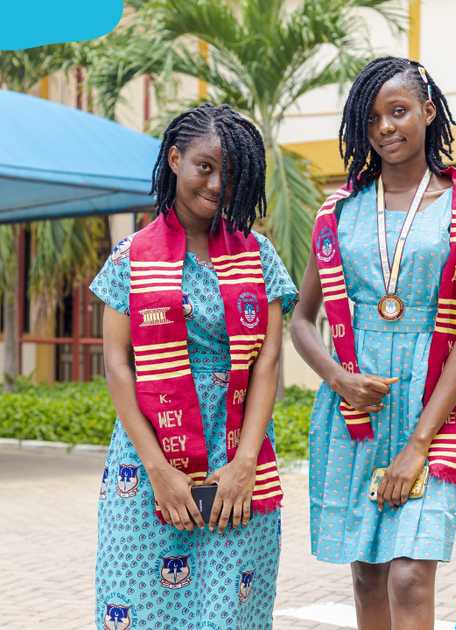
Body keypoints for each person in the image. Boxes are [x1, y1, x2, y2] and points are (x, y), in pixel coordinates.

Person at [290, 57, 456, 629]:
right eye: (373, 119)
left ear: (428, 113)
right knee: (366, 572)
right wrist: (338, 379)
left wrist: (417, 445)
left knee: (410, 574)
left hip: (430, 403)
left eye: (399, 111)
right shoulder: (339, 211)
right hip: (354, 408)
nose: (387, 127)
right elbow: (301, 321)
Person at [91, 104, 298, 629]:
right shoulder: (131, 256)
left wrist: (245, 464)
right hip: (147, 464)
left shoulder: (258, 254)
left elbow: (268, 361)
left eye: (230, 172)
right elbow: (118, 364)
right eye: (205, 166)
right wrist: (158, 471)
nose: (216, 183)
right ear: (176, 159)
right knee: (143, 611)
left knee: (230, 612)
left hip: (238, 458)